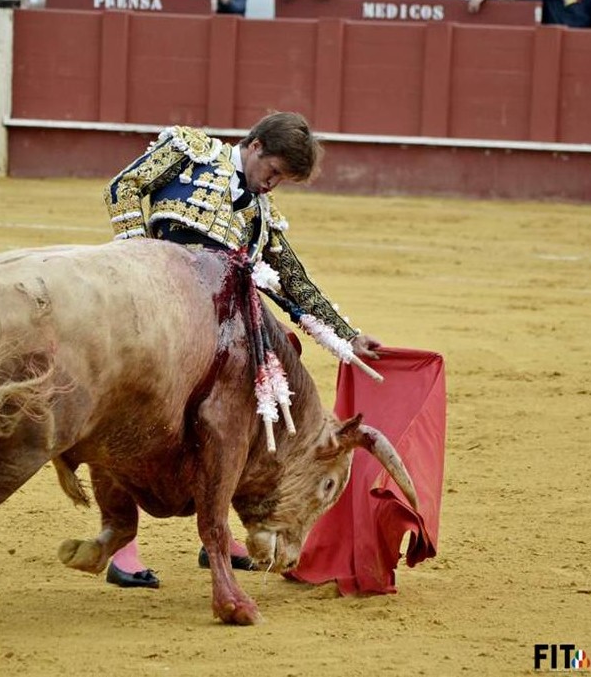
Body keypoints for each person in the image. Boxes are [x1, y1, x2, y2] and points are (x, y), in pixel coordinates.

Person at [102, 112, 382, 588]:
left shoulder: (260, 213)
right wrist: (142, 261)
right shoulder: (190, 153)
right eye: (272, 171)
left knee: (251, 412)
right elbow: (123, 187)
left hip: (220, 328)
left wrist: (348, 335)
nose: (272, 185)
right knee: (130, 414)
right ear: (254, 146)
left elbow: (291, 279)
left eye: (282, 180)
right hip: (158, 313)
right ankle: (120, 541)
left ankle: (219, 533)